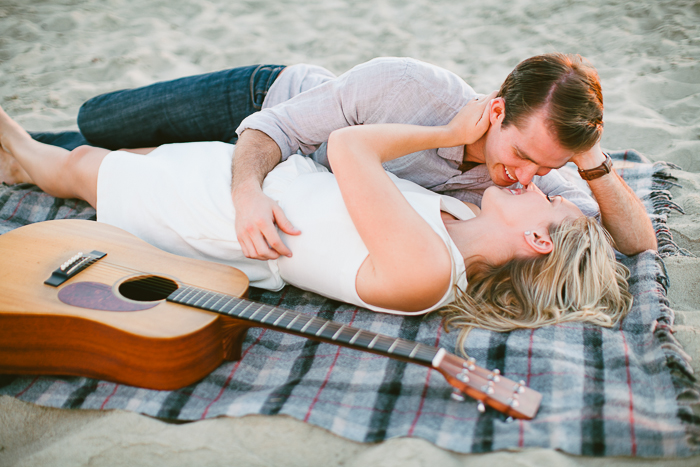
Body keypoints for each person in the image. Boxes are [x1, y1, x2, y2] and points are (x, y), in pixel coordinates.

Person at [0, 100, 632, 331]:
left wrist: (443, 129)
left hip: (216, 213)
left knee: (74, 165)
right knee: (104, 155)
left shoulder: (430, 272)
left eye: (548, 197)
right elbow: (635, 239)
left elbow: (348, 146)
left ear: (536, 239)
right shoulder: (462, 223)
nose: (542, 184)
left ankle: (21, 157)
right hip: (258, 181)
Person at [71, 54, 657, 262]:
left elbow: (637, 245)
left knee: (97, 162)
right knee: (94, 124)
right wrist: (245, 195)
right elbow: (273, 128)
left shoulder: (526, 191)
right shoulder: (410, 88)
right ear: (498, 110)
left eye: (548, 169)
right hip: (266, 104)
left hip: (294, 175)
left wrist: (591, 159)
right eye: (524, 155)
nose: (526, 178)